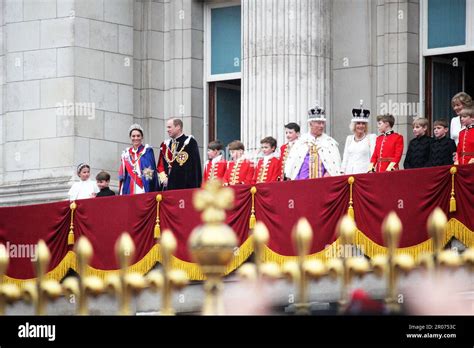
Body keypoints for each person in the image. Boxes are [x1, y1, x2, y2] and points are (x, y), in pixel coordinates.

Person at [285, 105, 341, 180]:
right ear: (310, 124)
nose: (321, 126)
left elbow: (335, 165)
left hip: (323, 183)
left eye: (323, 123)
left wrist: (329, 174)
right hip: (302, 183)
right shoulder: (301, 142)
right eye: (318, 123)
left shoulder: (329, 142)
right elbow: (293, 166)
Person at [157, 118, 202, 190]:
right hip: (167, 188)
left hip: (183, 188)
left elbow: (194, 168)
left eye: (169, 127)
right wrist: (163, 179)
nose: (167, 130)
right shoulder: (165, 145)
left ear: (178, 127)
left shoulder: (189, 142)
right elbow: (160, 165)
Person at [119, 124, 158, 195]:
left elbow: (150, 171)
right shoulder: (126, 153)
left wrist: (146, 185)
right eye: (133, 136)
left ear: (142, 137)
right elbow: (123, 174)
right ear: (130, 137)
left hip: (143, 186)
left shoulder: (147, 151)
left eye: (138, 136)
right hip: (129, 186)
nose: (136, 138)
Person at [341, 106, 377, 174]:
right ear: (354, 125)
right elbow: (345, 157)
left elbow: (373, 157)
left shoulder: (370, 138)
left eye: (363, 124)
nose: (361, 126)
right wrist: (342, 171)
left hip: (364, 175)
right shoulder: (349, 139)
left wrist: (372, 171)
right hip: (349, 175)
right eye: (358, 123)